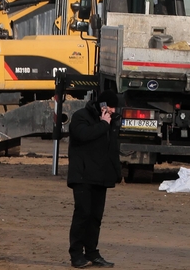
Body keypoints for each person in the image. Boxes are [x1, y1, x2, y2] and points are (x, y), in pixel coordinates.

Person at [67, 90, 121, 268]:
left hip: (101, 176)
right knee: (82, 214)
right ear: (102, 105)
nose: (113, 110)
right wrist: (104, 124)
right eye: (111, 106)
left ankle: (92, 252)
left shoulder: (110, 121)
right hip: (82, 176)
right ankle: (76, 255)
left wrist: (116, 172)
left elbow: (112, 148)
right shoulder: (80, 116)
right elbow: (83, 135)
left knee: (95, 217)